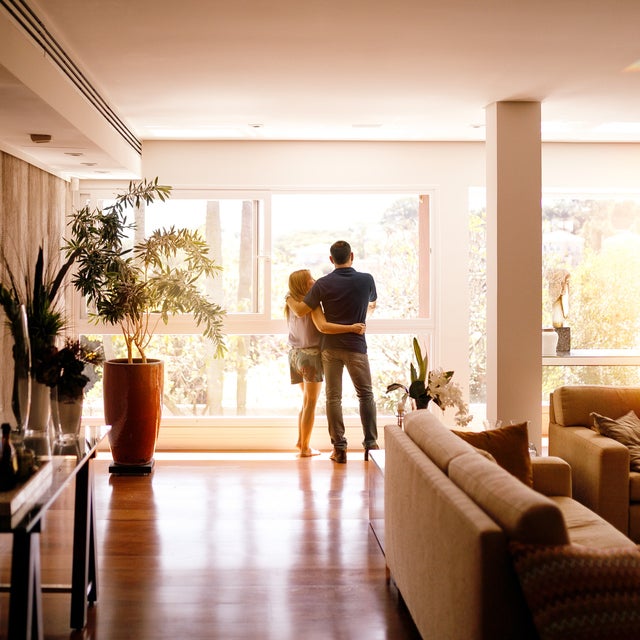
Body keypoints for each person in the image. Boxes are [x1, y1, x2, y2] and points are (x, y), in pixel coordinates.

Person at [289, 241, 378, 463]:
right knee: (365, 395)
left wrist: (288, 297)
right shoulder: (366, 279)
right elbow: (372, 304)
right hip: (356, 346)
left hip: (330, 348)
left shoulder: (322, 284)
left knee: (333, 398)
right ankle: (371, 445)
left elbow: (302, 309)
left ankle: (339, 449)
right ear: (352, 256)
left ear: (331, 260)